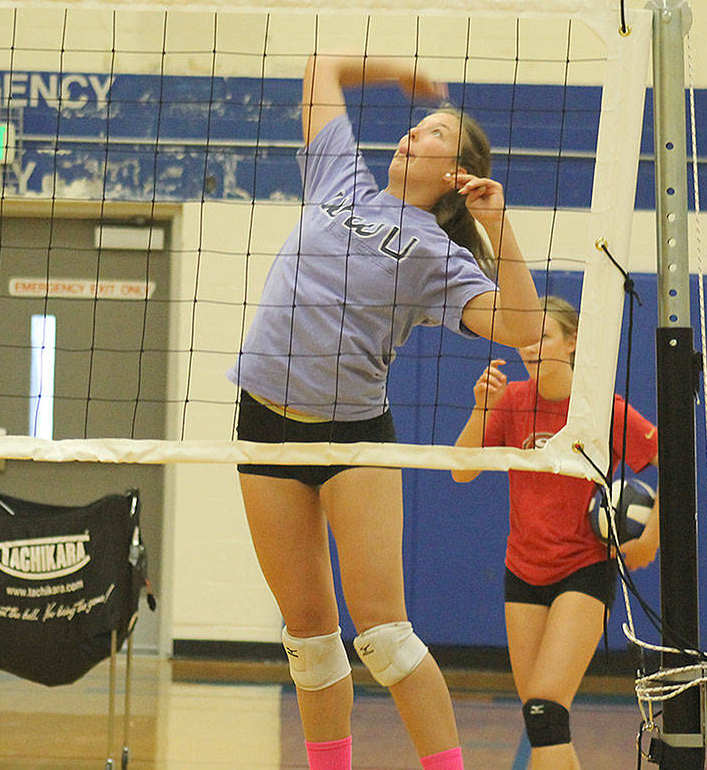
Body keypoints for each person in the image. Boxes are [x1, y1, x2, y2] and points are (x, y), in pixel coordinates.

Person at [229, 53, 543, 770]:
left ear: (457, 177)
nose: (413, 135)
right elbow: (319, 68)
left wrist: (499, 226)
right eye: (417, 126)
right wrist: (396, 71)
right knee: (308, 639)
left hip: (353, 437)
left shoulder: (439, 252)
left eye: (435, 134)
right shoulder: (341, 176)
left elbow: (522, 326)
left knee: (385, 636)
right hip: (264, 423)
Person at [452, 295, 659, 770]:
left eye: (543, 335)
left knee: (546, 709)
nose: (531, 346)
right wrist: (483, 408)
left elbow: (671, 462)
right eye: (525, 337)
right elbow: (461, 471)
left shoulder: (599, 410)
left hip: (583, 572)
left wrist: (648, 541)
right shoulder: (511, 401)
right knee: (543, 724)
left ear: (572, 343)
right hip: (521, 570)